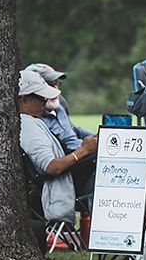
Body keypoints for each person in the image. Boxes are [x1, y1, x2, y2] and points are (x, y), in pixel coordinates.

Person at [18, 68, 96, 225]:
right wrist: (84, 151)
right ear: (24, 99)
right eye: (41, 98)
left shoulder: (31, 120)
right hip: (55, 191)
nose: (45, 102)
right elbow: (51, 167)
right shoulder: (28, 125)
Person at [24, 62, 93, 153]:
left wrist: (98, 137)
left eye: (56, 84)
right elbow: (64, 148)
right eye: (48, 85)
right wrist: (86, 149)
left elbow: (73, 129)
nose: (55, 90)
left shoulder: (59, 106)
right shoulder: (34, 116)